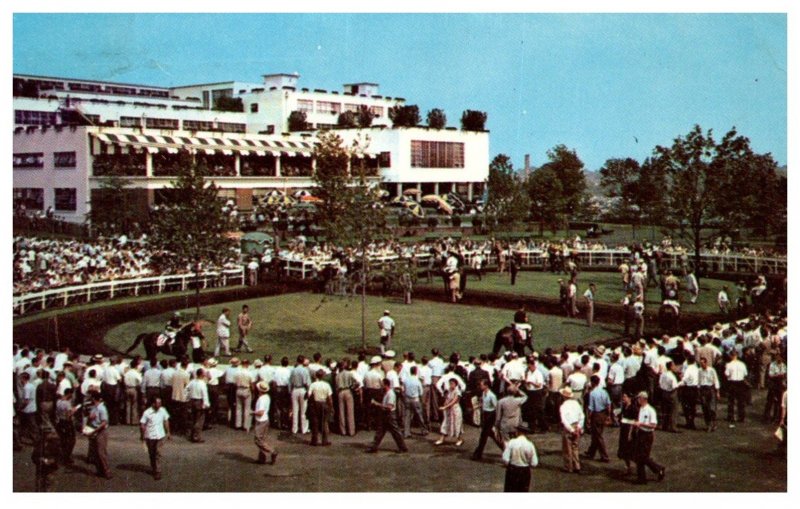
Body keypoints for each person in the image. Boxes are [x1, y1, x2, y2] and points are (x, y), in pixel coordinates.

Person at [366, 378, 408, 453]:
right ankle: (374, 447)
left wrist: (377, 404)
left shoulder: (390, 394)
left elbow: (389, 407)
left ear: (386, 385)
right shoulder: (386, 393)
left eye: (382, 385)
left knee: (395, 432)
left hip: (390, 415)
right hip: (385, 415)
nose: (381, 386)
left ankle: (403, 447)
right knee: (380, 431)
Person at [632, 391, 665, 484]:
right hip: (640, 433)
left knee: (643, 456)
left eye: (639, 398)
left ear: (643, 399)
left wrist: (641, 424)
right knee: (639, 457)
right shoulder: (640, 409)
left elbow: (653, 425)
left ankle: (658, 469)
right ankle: (641, 478)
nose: (638, 400)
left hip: (647, 435)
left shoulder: (650, 410)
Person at [471, 379, 504, 460]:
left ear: (486, 386)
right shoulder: (483, 393)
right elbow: (483, 403)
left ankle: (478, 453)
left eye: (482, 385)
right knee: (490, 435)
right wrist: (477, 407)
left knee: (483, 436)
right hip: (485, 414)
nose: (480, 386)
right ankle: (505, 449)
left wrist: (497, 420)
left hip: (491, 415)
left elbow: (496, 407)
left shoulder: (492, 395)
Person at [139, 397, 171, 480]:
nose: (159, 405)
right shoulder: (147, 413)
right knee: (152, 454)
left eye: (160, 403)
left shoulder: (163, 410)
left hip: (160, 435)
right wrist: (142, 436)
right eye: (158, 403)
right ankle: (154, 468)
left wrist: (168, 432)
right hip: (150, 436)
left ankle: (157, 471)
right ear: (153, 404)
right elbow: (142, 424)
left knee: (157, 453)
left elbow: (166, 421)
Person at [585, 375, 611, 462]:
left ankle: (604, 456)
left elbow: (591, 407)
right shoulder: (604, 392)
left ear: (592, 383)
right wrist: (608, 415)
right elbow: (608, 404)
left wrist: (588, 418)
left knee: (598, 435)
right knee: (596, 434)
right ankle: (591, 452)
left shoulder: (592, 393)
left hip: (596, 415)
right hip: (603, 413)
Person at [86, 392, 112, 479]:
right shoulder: (94, 408)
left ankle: (107, 471)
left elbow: (104, 423)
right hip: (94, 430)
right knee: (96, 453)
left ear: (93, 399)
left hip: (100, 432)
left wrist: (93, 431)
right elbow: (91, 418)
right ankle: (100, 470)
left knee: (101, 453)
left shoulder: (102, 409)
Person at [559, 386, 585, 474]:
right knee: (575, 447)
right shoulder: (576, 404)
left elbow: (564, 420)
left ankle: (568, 467)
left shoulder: (563, 406)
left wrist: (571, 429)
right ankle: (577, 465)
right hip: (576, 425)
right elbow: (582, 416)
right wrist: (579, 426)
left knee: (567, 448)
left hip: (569, 427)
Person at [253, 381, 278, 465]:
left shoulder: (261, 399)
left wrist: (252, 412)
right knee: (262, 439)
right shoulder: (267, 397)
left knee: (258, 440)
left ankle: (272, 451)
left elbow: (260, 412)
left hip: (261, 420)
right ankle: (261, 458)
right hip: (265, 420)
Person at [307, 369, 333, 446]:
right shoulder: (327, 385)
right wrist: (331, 406)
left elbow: (309, 395)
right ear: (323, 376)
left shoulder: (313, 384)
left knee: (315, 422)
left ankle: (314, 440)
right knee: (324, 422)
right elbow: (329, 397)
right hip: (324, 403)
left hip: (315, 403)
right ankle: (324, 440)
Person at [402, 366, 428, 438]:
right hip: (415, 399)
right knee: (419, 415)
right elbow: (421, 392)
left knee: (407, 416)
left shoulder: (406, 380)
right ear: (416, 372)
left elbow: (403, 389)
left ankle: (406, 432)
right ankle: (423, 430)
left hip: (407, 399)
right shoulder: (417, 381)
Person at [435, 378, 463, 446]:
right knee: (445, 423)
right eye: (450, 383)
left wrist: (445, 407)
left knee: (456, 424)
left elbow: (454, 401)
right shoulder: (449, 390)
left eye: (452, 384)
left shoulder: (458, 392)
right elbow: (447, 399)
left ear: (455, 384)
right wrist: (444, 404)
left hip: (455, 410)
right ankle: (441, 439)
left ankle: (459, 439)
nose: (451, 385)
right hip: (448, 411)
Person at [185, 368, 210, 442]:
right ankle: (196, 437)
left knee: (193, 419)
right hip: (199, 401)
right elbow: (204, 394)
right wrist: (206, 404)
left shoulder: (192, 382)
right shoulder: (202, 383)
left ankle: (192, 435)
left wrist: (188, 397)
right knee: (199, 420)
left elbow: (186, 389)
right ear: (202, 374)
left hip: (192, 401)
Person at [54, 388, 78, 465]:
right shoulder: (67, 403)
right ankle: (66, 457)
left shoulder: (58, 402)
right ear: (69, 394)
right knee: (71, 440)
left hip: (60, 422)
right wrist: (73, 411)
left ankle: (62, 455)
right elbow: (68, 415)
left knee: (63, 440)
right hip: (67, 423)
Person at [617, 392, 639, 475]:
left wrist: (630, 433)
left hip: (630, 430)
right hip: (624, 430)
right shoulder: (624, 407)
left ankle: (634, 467)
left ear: (630, 398)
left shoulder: (633, 408)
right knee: (623, 450)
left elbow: (635, 421)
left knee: (630, 450)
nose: (623, 398)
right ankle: (628, 467)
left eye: (625, 397)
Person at [725, 350, 749, 424]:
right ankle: (741, 417)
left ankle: (731, 416)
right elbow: (745, 374)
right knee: (741, 401)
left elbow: (727, 374)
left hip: (732, 382)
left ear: (731, 356)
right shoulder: (742, 364)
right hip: (741, 382)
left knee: (731, 401)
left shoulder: (729, 364)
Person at [698, 356, 720, 432]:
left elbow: (716, 380)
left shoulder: (711, 370)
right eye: (700, 363)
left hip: (710, 389)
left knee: (712, 408)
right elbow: (699, 381)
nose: (702, 365)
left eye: (703, 363)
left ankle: (713, 423)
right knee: (705, 408)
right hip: (703, 389)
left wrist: (717, 392)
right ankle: (708, 424)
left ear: (706, 363)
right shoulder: (699, 371)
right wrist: (699, 391)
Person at [289, 356, 311, 435]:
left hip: (295, 389)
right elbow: (307, 382)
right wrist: (308, 391)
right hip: (302, 389)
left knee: (295, 410)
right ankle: (304, 429)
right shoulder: (305, 370)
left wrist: (290, 391)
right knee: (303, 410)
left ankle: (294, 428)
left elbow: (290, 382)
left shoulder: (293, 370)